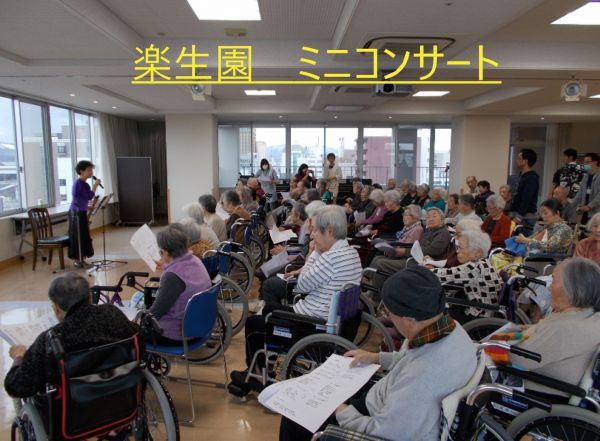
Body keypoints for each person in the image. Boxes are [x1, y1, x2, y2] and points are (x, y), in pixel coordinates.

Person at [279, 267, 477, 441]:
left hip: (375, 421)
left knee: (295, 417)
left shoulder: (421, 379)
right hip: (388, 402)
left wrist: (341, 411)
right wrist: (376, 358)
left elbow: (383, 433)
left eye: (388, 313)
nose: (387, 317)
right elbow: (412, 360)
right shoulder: (451, 330)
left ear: (409, 320)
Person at [230, 206, 362, 388]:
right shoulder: (351, 253)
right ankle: (266, 365)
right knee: (269, 309)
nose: (312, 235)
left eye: (315, 230)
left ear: (330, 231)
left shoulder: (329, 257)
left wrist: (313, 254)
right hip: (332, 321)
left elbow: (301, 287)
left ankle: (257, 376)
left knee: (254, 324)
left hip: (312, 325)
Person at [5, 273, 138, 400]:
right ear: (89, 298)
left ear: (56, 308)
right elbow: (137, 337)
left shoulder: (51, 338)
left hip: (76, 408)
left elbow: (16, 387)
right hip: (123, 397)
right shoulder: (112, 313)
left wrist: (19, 358)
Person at [511, 258, 600, 397]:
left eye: (554, 281)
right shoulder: (589, 316)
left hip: (539, 392)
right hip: (559, 384)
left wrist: (496, 343)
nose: (549, 287)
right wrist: (533, 330)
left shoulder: (564, 328)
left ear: (572, 288)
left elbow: (517, 359)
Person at [148, 224, 211, 345]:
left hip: (175, 334)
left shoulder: (172, 277)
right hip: (199, 326)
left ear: (165, 252)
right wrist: (166, 266)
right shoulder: (195, 260)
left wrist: (135, 322)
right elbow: (182, 273)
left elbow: (156, 312)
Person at [366, 207, 451, 293]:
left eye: (434, 216)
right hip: (415, 258)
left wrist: (404, 251)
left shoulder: (443, 233)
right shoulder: (430, 231)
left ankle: (378, 295)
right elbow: (417, 246)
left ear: (442, 220)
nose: (430, 219)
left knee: (381, 263)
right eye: (428, 217)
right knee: (377, 258)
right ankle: (369, 284)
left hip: (423, 264)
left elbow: (432, 250)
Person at [432, 229, 502, 320]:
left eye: (460, 248)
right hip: (482, 310)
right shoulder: (484, 263)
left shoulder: (474, 268)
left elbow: (443, 275)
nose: (457, 251)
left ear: (477, 252)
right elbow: (452, 273)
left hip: (477, 317)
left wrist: (423, 270)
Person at [68, 160, 101, 268]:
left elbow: (80, 198)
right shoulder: (80, 183)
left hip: (80, 211)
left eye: (91, 170)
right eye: (88, 170)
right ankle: (78, 260)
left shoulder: (83, 184)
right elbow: (89, 196)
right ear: (81, 171)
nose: (91, 172)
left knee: (83, 236)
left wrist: (86, 207)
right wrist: (95, 185)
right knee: (79, 236)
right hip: (76, 214)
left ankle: (81, 259)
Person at [510, 149, 540, 236]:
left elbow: (526, 198)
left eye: (518, 158)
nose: (516, 161)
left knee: (521, 241)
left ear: (525, 161)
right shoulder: (521, 176)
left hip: (525, 217)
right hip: (517, 214)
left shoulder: (531, 177)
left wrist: (518, 217)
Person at [573, 152, 600, 224]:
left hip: (597, 212)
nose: (585, 164)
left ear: (595, 162)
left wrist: (589, 206)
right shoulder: (586, 177)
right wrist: (570, 205)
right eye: (584, 162)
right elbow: (580, 193)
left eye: (587, 162)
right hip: (585, 211)